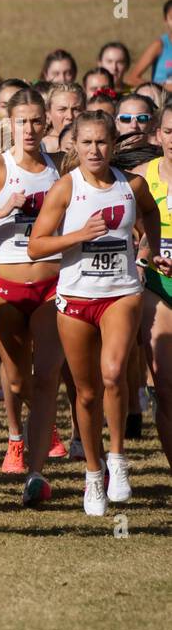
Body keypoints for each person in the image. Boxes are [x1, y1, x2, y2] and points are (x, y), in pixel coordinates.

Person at [28, 110, 169, 516]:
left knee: (112, 374)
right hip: (75, 298)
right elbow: (37, 246)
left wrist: (150, 250)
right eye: (86, 143)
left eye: (102, 142)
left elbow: (152, 214)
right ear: (75, 145)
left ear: (113, 144)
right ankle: (93, 473)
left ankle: (118, 460)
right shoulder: (65, 189)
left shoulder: (132, 185)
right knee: (86, 393)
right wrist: (79, 236)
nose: (94, 150)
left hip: (121, 293)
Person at [0, 88, 69, 494]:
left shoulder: (60, 167)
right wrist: (0, 209)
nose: (29, 129)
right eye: (21, 121)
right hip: (6, 284)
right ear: (8, 124)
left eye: (36, 121)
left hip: (52, 285)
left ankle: (36, 472)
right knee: (15, 382)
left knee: (47, 375)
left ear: (46, 122)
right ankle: (21, 435)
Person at [139, 104, 172, 471]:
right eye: (169, 131)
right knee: (164, 389)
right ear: (158, 135)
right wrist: (145, 252)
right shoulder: (139, 179)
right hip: (157, 285)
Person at [125, 0, 172, 90]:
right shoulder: (160, 45)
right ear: (165, 20)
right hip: (163, 101)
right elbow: (132, 79)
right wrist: (163, 87)